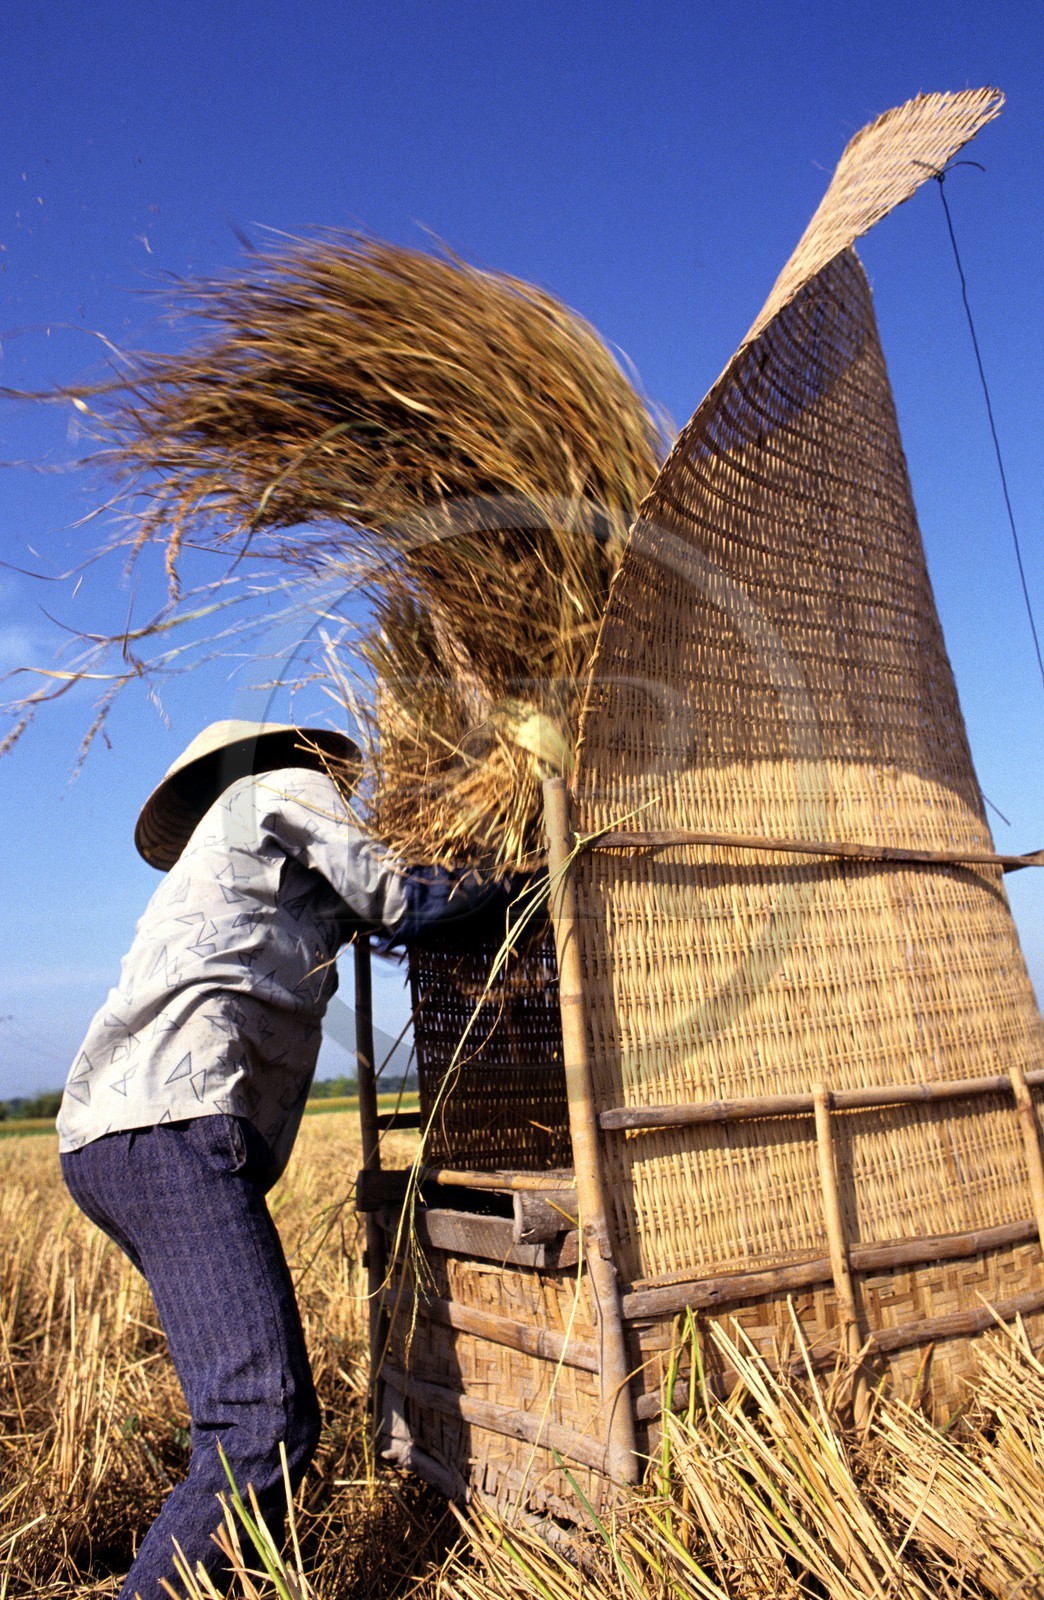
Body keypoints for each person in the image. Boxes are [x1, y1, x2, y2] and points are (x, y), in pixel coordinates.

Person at [57, 720, 496, 1600]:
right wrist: (521, 875)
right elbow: (410, 899)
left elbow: (370, 919)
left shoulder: (230, 860)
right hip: (172, 1129)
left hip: (115, 1138)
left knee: (241, 1415)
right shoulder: (284, 789)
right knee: (260, 1428)